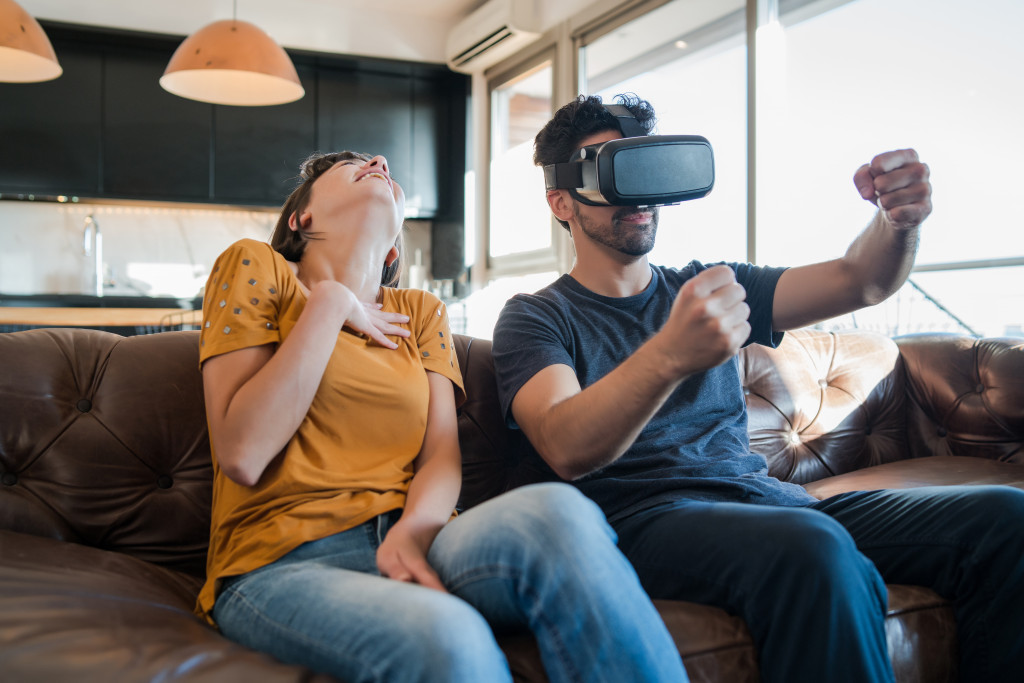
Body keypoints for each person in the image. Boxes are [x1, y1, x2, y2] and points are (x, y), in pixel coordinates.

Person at [491, 94, 1024, 683]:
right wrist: (669, 354)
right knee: (811, 548)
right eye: (606, 169)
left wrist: (897, 222)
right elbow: (565, 444)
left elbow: (861, 280)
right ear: (560, 200)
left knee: (1006, 519)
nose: (634, 190)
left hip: (770, 505)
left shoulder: (709, 283)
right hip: (641, 519)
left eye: (641, 165)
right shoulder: (535, 317)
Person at [195, 150, 689, 683]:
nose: (380, 160)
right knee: (447, 636)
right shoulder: (255, 264)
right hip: (283, 563)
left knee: (558, 513)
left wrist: (414, 530)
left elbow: (439, 455)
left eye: (381, 164)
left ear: (394, 243)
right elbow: (243, 453)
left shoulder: (419, 311)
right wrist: (331, 303)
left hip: (421, 538)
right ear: (301, 218)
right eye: (350, 165)